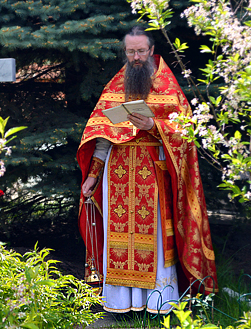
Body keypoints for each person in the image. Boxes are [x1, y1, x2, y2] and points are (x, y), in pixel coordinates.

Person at [77, 26, 217, 314]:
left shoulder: (167, 85)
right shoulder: (116, 84)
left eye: (141, 51)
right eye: (131, 52)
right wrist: (93, 175)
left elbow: (185, 133)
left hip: (152, 176)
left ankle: (156, 303)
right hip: (115, 177)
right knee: (117, 241)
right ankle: (120, 303)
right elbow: (102, 135)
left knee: (151, 240)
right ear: (125, 53)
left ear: (152, 51)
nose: (136, 57)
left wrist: (154, 127)